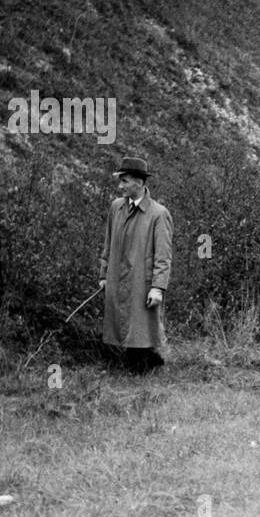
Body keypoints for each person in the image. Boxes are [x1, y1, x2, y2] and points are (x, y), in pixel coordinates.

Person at [99, 156, 173, 372]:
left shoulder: (159, 214)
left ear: (140, 183)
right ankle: (138, 364)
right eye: (120, 180)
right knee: (120, 323)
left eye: (125, 181)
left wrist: (158, 287)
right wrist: (104, 275)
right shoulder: (116, 207)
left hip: (142, 280)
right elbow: (108, 243)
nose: (120, 186)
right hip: (117, 277)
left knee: (141, 326)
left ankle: (145, 366)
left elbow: (163, 255)